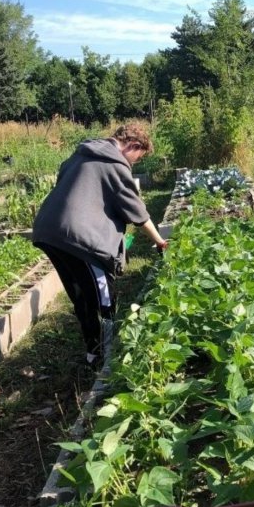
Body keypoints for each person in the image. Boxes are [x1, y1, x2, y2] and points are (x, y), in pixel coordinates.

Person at [32, 124, 167, 367]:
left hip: (48, 231)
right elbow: (136, 211)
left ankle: (93, 352)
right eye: (137, 158)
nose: (133, 164)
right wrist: (159, 241)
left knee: (80, 293)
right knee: (102, 297)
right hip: (78, 238)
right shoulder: (114, 163)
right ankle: (105, 356)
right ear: (133, 146)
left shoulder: (82, 153)